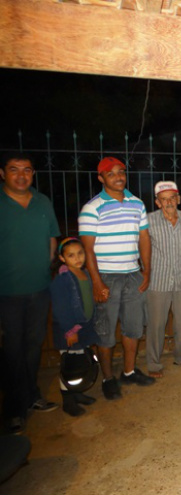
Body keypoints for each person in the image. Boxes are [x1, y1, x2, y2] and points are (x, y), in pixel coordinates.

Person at [79, 156, 155, 401]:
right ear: (101, 178)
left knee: (133, 327)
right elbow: (87, 250)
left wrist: (147, 270)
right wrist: (97, 282)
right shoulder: (92, 208)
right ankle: (108, 378)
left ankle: (129, 371)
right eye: (111, 173)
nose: (118, 176)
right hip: (107, 277)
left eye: (121, 172)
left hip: (133, 274)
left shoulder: (137, 204)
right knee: (106, 332)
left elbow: (144, 238)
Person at [0, 153, 60, 434]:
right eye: (14, 170)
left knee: (33, 345)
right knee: (12, 348)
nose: (21, 175)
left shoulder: (42, 202)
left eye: (27, 170)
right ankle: (13, 409)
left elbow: (52, 239)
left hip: (39, 288)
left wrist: (45, 266)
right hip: (7, 292)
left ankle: (32, 395)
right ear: (3, 174)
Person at [146, 181, 181, 379]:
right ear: (157, 202)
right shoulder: (148, 220)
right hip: (158, 279)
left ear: (179, 199)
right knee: (156, 323)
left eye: (172, 198)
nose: (168, 202)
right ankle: (153, 363)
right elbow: (142, 248)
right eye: (163, 199)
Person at [50, 237, 100, 416]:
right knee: (70, 365)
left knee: (80, 361)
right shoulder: (63, 279)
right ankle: (67, 400)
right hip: (69, 331)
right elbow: (61, 308)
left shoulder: (84, 273)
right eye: (71, 255)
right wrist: (70, 330)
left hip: (83, 327)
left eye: (80, 253)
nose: (77, 258)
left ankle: (77, 393)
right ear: (62, 258)